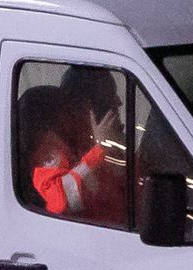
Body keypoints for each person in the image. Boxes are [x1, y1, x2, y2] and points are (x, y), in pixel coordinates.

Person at [24, 75, 131, 227]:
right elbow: (61, 201)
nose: (119, 103)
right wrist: (101, 150)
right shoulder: (50, 151)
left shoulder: (82, 145)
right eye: (105, 100)